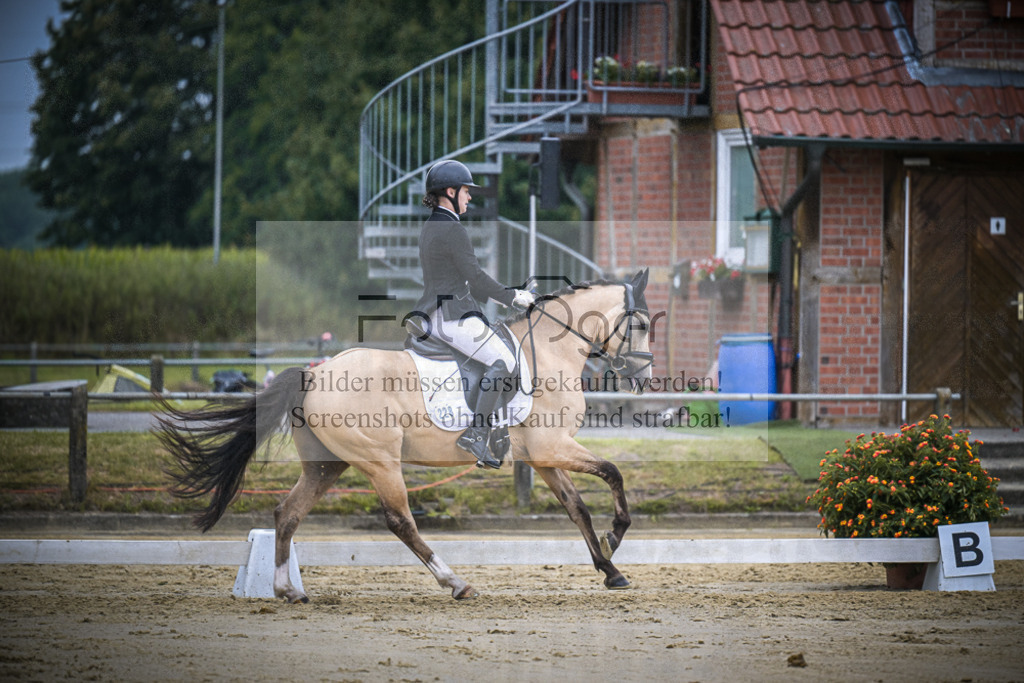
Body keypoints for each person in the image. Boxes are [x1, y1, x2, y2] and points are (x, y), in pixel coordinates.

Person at [411, 159, 535, 469]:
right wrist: (514, 297)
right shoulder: (452, 229)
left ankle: (493, 428)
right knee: (505, 361)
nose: (469, 197)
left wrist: (498, 296)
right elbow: (476, 277)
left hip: (439, 311)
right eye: (466, 191)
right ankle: (477, 434)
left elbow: (462, 280)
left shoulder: (432, 226)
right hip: (452, 317)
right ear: (450, 192)